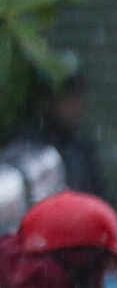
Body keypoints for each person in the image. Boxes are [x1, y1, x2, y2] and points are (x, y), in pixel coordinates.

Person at [18, 69, 103, 199]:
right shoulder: (32, 142)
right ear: (53, 101)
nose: (75, 107)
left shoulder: (83, 147)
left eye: (78, 100)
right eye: (68, 100)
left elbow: (96, 192)